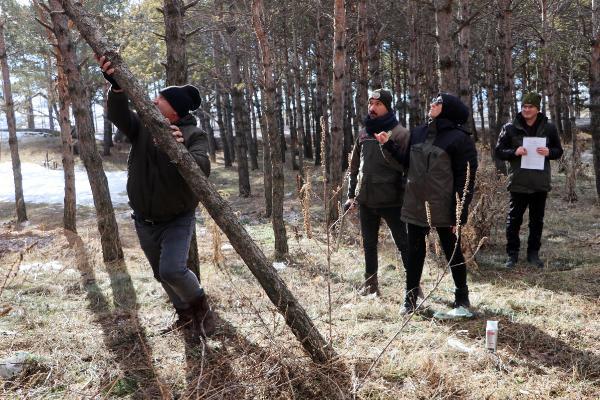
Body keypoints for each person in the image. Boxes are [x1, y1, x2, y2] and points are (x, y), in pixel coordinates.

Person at [97, 55, 216, 337]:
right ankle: (186, 318)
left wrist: (180, 149)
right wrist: (116, 89)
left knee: (173, 270)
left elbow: (203, 168)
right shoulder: (143, 126)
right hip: (143, 220)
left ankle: (203, 310)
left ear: (173, 111)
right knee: (161, 274)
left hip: (177, 219)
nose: (152, 102)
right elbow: (118, 115)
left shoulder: (193, 135)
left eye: (159, 99)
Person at [375, 93, 477, 314]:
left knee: (452, 251)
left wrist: (460, 212)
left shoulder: (460, 138)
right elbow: (407, 164)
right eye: (432, 100)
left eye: (438, 102)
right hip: (415, 203)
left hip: (445, 206)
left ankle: (462, 298)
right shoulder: (419, 132)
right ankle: (410, 300)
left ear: (448, 108)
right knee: (414, 251)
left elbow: (466, 179)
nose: (432, 104)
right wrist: (389, 145)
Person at [344, 89, 410, 296]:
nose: (372, 108)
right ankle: (371, 286)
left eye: (378, 104)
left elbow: (408, 168)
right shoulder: (363, 133)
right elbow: (354, 167)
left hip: (392, 200)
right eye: (370, 103)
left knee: (404, 245)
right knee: (369, 244)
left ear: (388, 107)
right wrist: (350, 195)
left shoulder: (401, 133)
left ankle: (414, 288)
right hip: (366, 199)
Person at [495, 92, 563, 268]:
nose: (526, 109)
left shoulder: (549, 128)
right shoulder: (510, 128)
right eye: (524, 106)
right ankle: (512, 255)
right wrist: (514, 152)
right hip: (518, 181)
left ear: (537, 109)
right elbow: (498, 152)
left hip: (540, 183)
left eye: (530, 107)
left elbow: (558, 151)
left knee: (536, 221)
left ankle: (533, 254)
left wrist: (550, 152)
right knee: (514, 220)